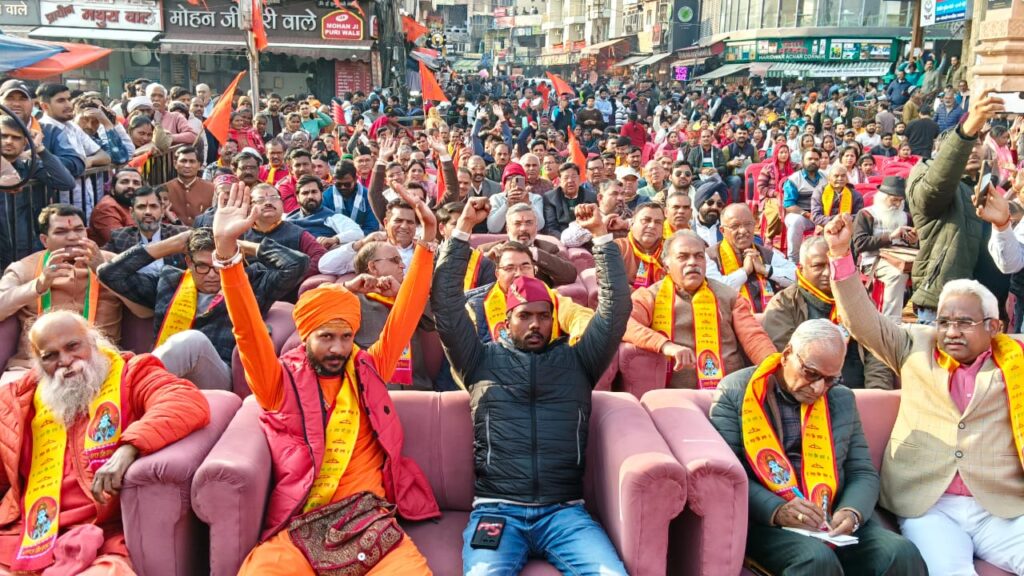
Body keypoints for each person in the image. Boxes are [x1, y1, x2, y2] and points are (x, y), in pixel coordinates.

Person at [214, 182, 438, 576]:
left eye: (346, 337)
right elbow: (247, 330)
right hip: (300, 525)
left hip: (368, 520)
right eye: (327, 338)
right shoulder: (277, 382)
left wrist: (427, 239)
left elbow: (406, 311)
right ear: (306, 337)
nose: (338, 348)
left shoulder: (368, 369)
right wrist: (228, 256)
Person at [433, 199, 631, 575]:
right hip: (497, 511)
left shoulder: (579, 361)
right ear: (508, 321)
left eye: (543, 316)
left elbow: (615, 311)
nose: (535, 324)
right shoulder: (479, 361)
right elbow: (445, 305)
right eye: (525, 316)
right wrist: (461, 231)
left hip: (564, 513)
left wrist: (601, 238)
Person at [825, 213, 1024, 575]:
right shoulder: (914, 345)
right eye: (944, 321)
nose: (951, 331)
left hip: (1000, 506)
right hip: (930, 505)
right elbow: (862, 322)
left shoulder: (1016, 359)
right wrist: (840, 254)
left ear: (994, 326)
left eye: (964, 322)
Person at [708, 319, 926, 576]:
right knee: (816, 560)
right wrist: (777, 510)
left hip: (831, 515)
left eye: (830, 379)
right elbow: (732, 477)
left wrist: (851, 512)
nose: (818, 388)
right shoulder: (736, 391)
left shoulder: (841, 398)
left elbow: (862, 471)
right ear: (787, 355)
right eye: (811, 374)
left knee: (900, 552)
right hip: (769, 521)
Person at [0, 309, 210, 573]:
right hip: (24, 538)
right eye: (50, 356)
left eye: (73, 346)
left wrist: (129, 448)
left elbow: (184, 401)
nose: (65, 361)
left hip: (101, 536)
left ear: (93, 341)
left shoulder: (132, 374)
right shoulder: (18, 400)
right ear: (38, 363)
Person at [98, 217, 307, 389]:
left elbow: (297, 263)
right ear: (189, 262)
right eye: (202, 266)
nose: (212, 275)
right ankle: (130, 388)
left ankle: (128, 390)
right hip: (167, 375)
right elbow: (109, 274)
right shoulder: (170, 281)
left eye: (218, 265)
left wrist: (235, 244)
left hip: (217, 375)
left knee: (193, 340)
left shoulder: (251, 283)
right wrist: (170, 245)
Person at [625, 230, 776, 389]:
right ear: (666, 265)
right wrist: (665, 345)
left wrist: (774, 369)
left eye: (699, 256)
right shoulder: (650, 296)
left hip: (728, 391)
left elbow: (753, 337)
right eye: (683, 257)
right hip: (675, 394)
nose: (692, 262)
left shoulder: (729, 296)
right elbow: (625, 325)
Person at [906, 93, 1004, 323]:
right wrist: (966, 132)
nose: (973, 149)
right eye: (967, 144)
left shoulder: (984, 184)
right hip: (944, 307)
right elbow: (932, 190)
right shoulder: (924, 174)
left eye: (977, 143)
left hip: (988, 309)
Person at [0, 205, 131, 375]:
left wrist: (107, 275)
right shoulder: (23, 268)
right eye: (61, 231)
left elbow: (143, 311)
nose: (72, 237)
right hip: (33, 368)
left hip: (103, 364)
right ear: (44, 240)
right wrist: (38, 285)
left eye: (78, 229)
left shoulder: (113, 262)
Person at [763, 237, 895, 389]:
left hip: (862, 391)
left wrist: (877, 391)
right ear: (801, 269)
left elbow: (877, 351)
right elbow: (788, 362)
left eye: (833, 265)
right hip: (812, 391)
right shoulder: (784, 304)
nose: (827, 272)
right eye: (818, 266)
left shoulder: (856, 298)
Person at [707, 204, 795, 314]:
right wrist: (745, 271)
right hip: (730, 320)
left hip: (769, 319)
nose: (743, 230)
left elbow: (798, 277)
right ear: (722, 230)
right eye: (735, 226)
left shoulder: (765, 253)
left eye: (748, 224)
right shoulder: (709, 256)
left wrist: (765, 269)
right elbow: (716, 290)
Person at [853, 176, 916, 322]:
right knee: (897, 275)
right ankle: (891, 322)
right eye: (894, 200)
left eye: (900, 201)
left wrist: (913, 241)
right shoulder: (866, 214)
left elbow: (912, 244)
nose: (897, 204)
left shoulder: (906, 217)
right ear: (883, 197)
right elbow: (860, 244)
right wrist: (890, 236)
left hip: (903, 259)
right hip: (874, 260)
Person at [478, 203, 576, 287]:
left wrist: (535, 254)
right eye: (517, 223)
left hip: (536, 301)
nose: (523, 228)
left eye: (529, 223)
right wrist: (486, 261)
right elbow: (471, 283)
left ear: (536, 227)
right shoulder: (487, 250)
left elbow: (570, 275)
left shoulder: (547, 249)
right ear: (507, 229)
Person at [243, 183, 326, 280]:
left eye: (274, 198)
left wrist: (290, 277)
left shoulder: (297, 233)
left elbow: (321, 256)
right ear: (249, 207)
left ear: (282, 204)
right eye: (260, 200)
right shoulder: (240, 235)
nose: (268, 202)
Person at [105, 187, 188, 273]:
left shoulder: (180, 234)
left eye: (153, 206)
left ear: (162, 211)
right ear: (132, 212)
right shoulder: (119, 237)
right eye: (141, 207)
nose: (148, 212)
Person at [286, 174, 363, 249]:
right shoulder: (288, 220)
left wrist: (334, 239)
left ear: (321, 194)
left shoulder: (331, 217)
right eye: (305, 193)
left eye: (314, 192)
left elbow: (358, 232)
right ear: (297, 197)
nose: (310, 196)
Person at [783, 147, 826, 262]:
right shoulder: (793, 179)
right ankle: (794, 260)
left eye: (816, 159)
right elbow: (789, 205)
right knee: (796, 221)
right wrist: (807, 214)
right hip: (801, 215)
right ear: (802, 161)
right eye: (809, 159)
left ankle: (825, 259)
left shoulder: (826, 178)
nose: (813, 161)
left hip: (820, 216)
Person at [614, 202, 667, 290]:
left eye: (658, 222)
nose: (652, 226)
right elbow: (609, 280)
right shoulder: (617, 247)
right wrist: (640, 295)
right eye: (646, 220)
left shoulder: (670, 250)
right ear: (632, 223)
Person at [322, 160, 380, 236]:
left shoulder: (367, 196)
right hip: (334, 240)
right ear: (334, 180)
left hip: (364, 239)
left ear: (355, 179)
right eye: (338, 184)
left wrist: (354, 238)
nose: (342, 187)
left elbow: (372, 227)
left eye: (347, 184)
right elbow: (324, 225)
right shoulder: (326, 197)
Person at [487, 162, 547, 234]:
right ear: (504, 183)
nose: (514, 182)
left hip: (528, 236)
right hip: (503, 238)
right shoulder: (496, 198)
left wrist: (528, 203)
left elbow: (540, 225)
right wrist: (507, 204)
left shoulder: (535, 198)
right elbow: (493, 228)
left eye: (518, 179)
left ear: (524, 182)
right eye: (510, 178)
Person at [87, 168, 142, 245]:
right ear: (112, 189)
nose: (131, 186)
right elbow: (122, 243)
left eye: (136, 183)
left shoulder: (137, 204)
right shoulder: (107, 208)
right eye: (124, 182)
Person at [542, 163, 596, 236]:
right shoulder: (550, 198)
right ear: (560, 180)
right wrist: (565, 240)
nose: (570, 180)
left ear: (579, 178)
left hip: (585, 237)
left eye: (574, 177)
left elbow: (593, 224)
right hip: (560, 237)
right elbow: (551, 228)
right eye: (566, 177)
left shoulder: (591, 197)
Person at [693, 178, 729, 247]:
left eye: (719, 204)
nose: (715, 207)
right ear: (700, 204)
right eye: (710, 202)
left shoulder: (727, 230)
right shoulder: (688, 229)